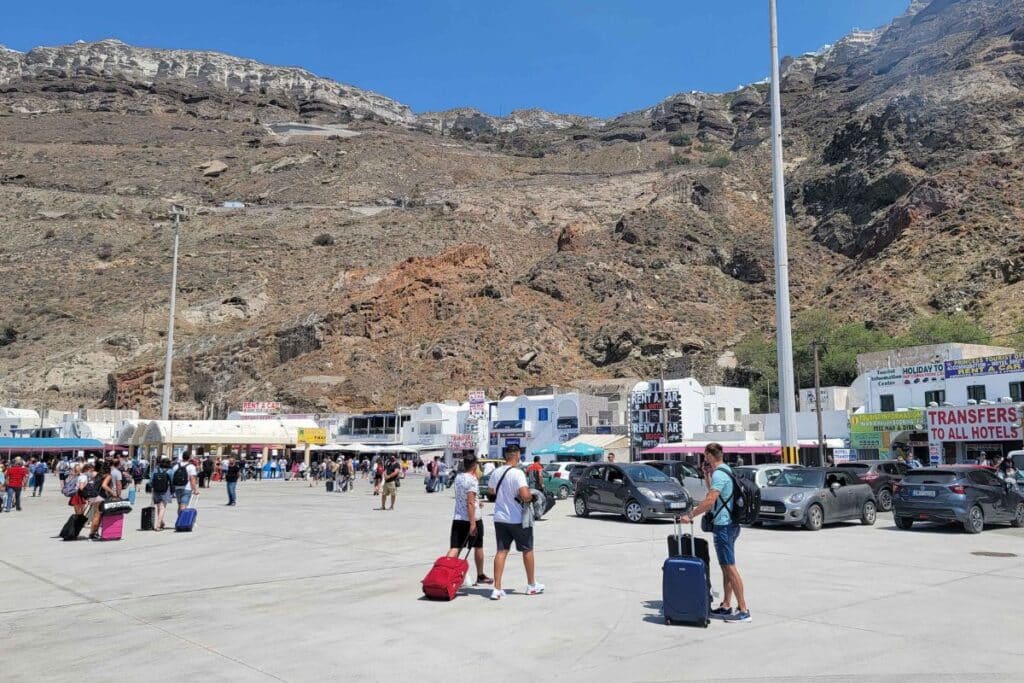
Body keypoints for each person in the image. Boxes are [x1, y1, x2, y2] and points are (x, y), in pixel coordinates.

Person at [680, 442, 750, 623]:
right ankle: (726, 604)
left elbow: (710, 500)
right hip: (731, 524)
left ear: (710, 455)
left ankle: (743, 610)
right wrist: (706, 475)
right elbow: (715, 491)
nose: (704, 459)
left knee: (730, 567)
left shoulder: (719, 473)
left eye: (705, 456)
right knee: (726, 567)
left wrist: (690, 515)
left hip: (724, 526)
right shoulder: (726, 470)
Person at [488, 445, 544, 600]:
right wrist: (532, 497)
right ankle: (531, 585)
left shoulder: (496, 472)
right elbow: (525, 495)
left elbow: (491, 491)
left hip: (500, 518)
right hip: (517, 519)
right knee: (527, 550)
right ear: (516, 455)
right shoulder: (517, 473)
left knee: (501, 551)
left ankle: (497, 589)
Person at [447, 455, 493, 586]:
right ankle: (480, 575)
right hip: (472, 519)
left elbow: (466, 498)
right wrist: (473, 524)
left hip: (458, 518)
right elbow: (470, 503)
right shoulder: (472, 480)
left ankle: (445, 571)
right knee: (478, 546)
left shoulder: (459, 477)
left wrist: (478, 502)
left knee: (455, 548)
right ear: (474, 465)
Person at [150, 457, 174, 530]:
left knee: (159, 507)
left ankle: (161, 522)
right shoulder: (170, 471)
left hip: (156, 490)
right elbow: (172, 481)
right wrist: (172, 491)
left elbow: (151, 481)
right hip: (165, 490)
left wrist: (151, 488)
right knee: (162, 508)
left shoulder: (156, 470)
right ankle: (158, 525)